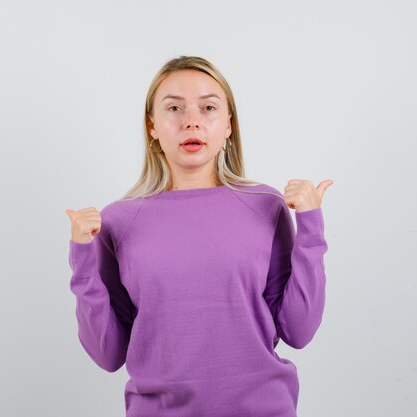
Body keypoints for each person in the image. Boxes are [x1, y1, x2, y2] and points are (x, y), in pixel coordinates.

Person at [64, 55, 333, 417]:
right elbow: (108, 354)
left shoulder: (265, 206)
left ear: (228, 126)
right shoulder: (117, 222)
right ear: (153, 127)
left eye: (208, 107)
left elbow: (298, 330)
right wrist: (82, 258)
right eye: (174, 108)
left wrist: (311, 228)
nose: (191, 120)